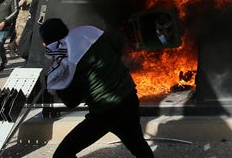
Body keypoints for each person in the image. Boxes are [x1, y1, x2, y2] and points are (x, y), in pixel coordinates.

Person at [40, 18, 154, 158]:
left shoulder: (64, 61)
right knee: (138, 146)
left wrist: (55, 85)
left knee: (63, 154)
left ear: (47, 43)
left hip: (104, 111)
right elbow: (117, 44)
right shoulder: (89, 32)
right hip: (128, 97)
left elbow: (72, 101)